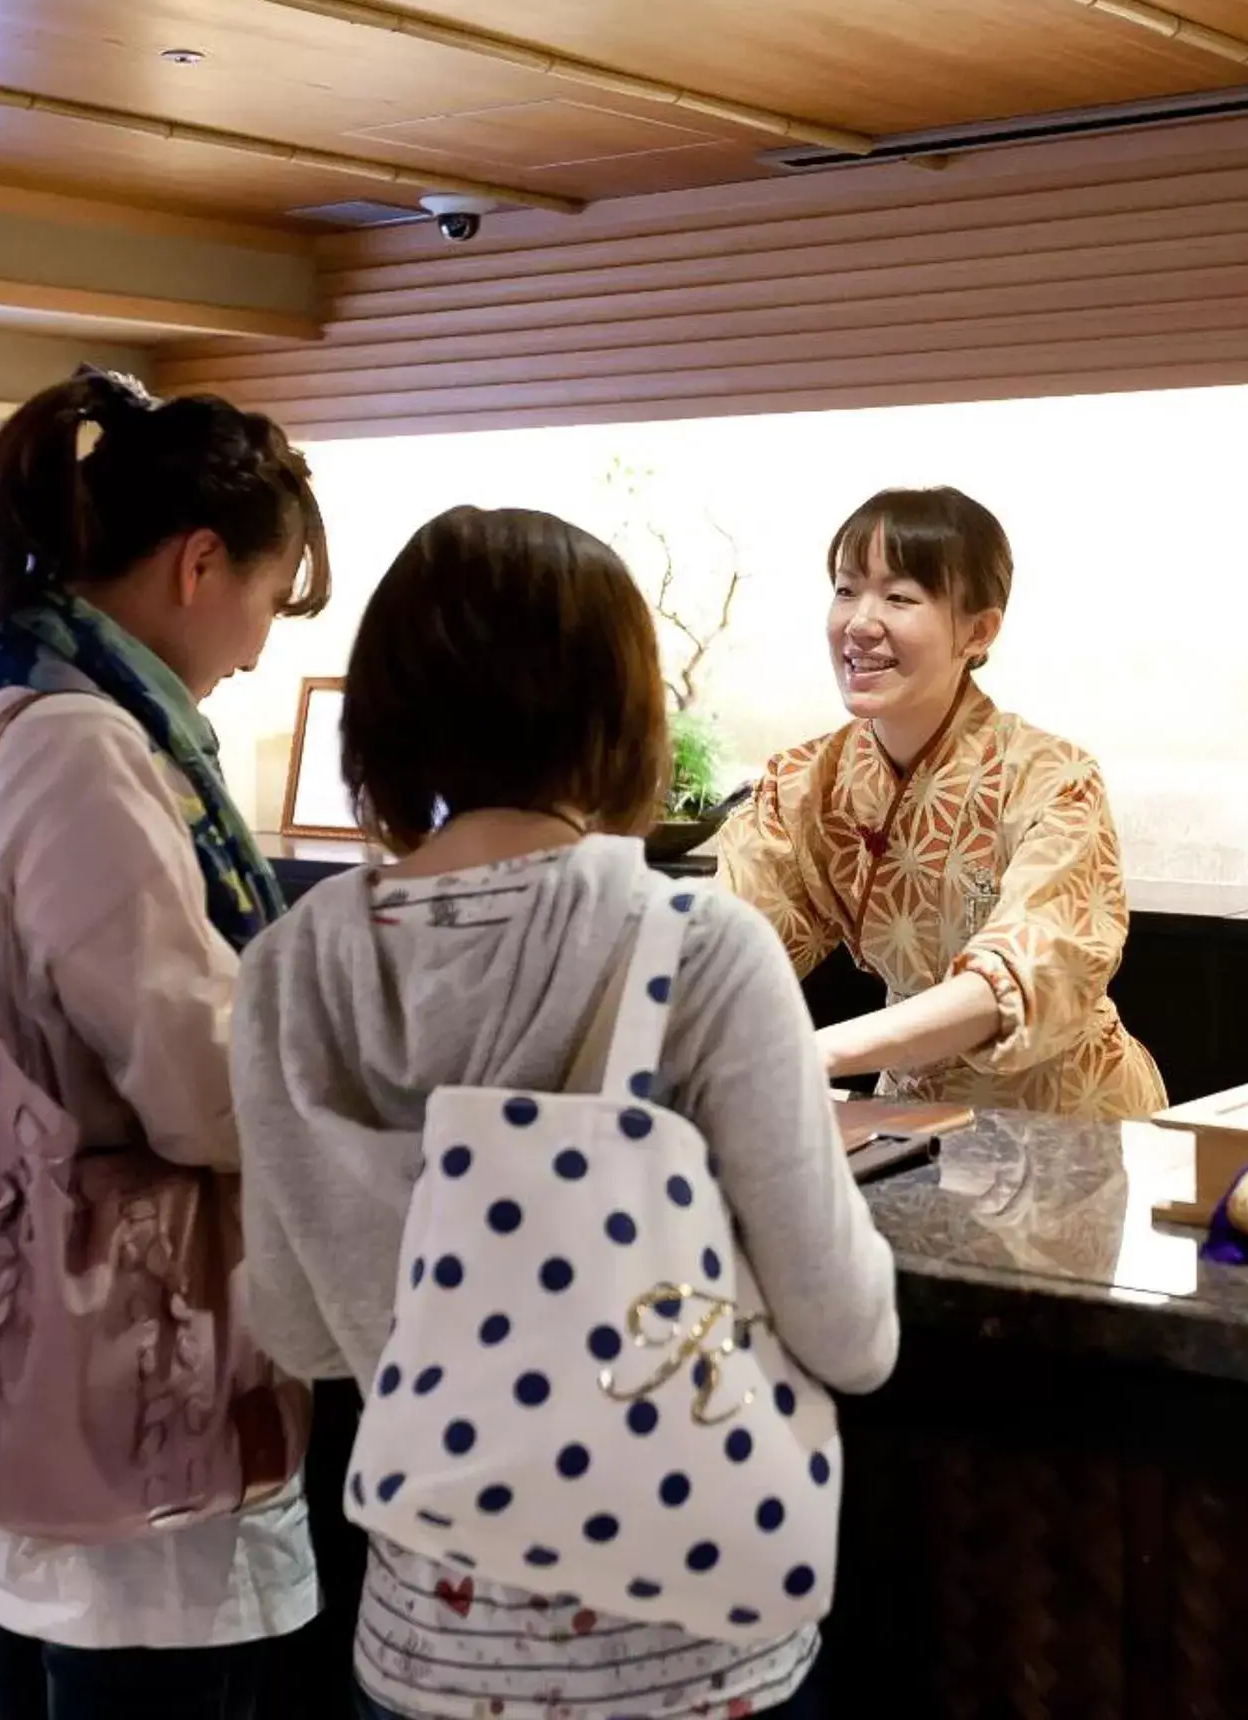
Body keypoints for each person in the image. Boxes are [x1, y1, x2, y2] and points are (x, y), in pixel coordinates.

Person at [229, 505, 897, 1720]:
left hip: (430, 1652)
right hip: (699, 1654)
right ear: (621, 711)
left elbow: (295, 1329)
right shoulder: (700, 951)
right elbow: (848, 1330)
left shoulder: (289, 967)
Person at [0, 366, 331, 1720]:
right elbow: (197, 1091)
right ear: (202, 564)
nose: (259, 645)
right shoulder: (89, 751)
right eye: (268, 596)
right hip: (126, 1345)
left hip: (0, 1318)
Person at [719, 486, 1167, 1120]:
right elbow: (727, 948)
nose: (861, 623)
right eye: (847, 590)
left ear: (978, 631)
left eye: (899, 597)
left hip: (1065, 1119)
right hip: (908, 1117)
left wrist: (812, 1053)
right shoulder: (803, 784)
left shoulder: (1052, 778)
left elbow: (1027, 972)